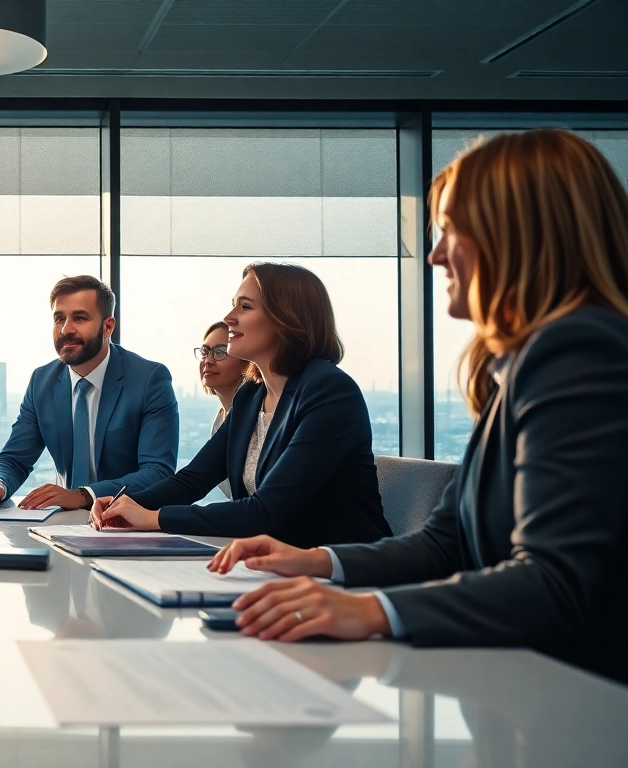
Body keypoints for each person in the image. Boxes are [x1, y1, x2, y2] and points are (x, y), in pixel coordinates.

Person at [208, 129, 628, 685]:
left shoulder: (579, 353)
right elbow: (444, 543)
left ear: (518, 236)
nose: (434, 254)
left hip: (575, 704)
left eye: (452, 230)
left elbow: (552, 581)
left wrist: (371, 610)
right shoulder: (518, 370)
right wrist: (318, 562)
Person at [92, 263, 390, 548]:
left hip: (342, 573)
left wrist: (154, 518)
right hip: (274, 564)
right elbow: (192, 480)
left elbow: (265, 511)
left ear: (287, 319)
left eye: (245, 307)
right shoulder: (250, 395)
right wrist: (127, 502)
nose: (229, 317)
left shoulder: (329, 391)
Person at [0, 275, 178, 511]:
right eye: (59, 318)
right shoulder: (42, 382)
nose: (66, 329)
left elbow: (158, 472)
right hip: (65, 526)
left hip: (131, 522)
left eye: (80, 318)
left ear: (108, 326)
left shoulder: (149, 380)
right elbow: (14, 459)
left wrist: (84, 496)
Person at [196, 320, 245, 499]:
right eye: (205, 352)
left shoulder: (258, 418)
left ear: (246, 363)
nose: (208, 360)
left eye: (220, 352)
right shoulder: (219, 423)